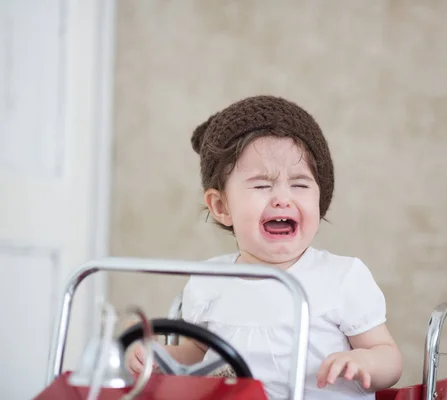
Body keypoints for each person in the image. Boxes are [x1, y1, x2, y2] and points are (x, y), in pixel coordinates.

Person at [126, 95, 403, 399]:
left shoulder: (340, 277)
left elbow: (388, 356)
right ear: (221, 206)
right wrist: (156, 357)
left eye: (300, 184)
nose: (283, 198)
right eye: (262, 185)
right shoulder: (210, 279)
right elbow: (197, 355)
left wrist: (365, 361)